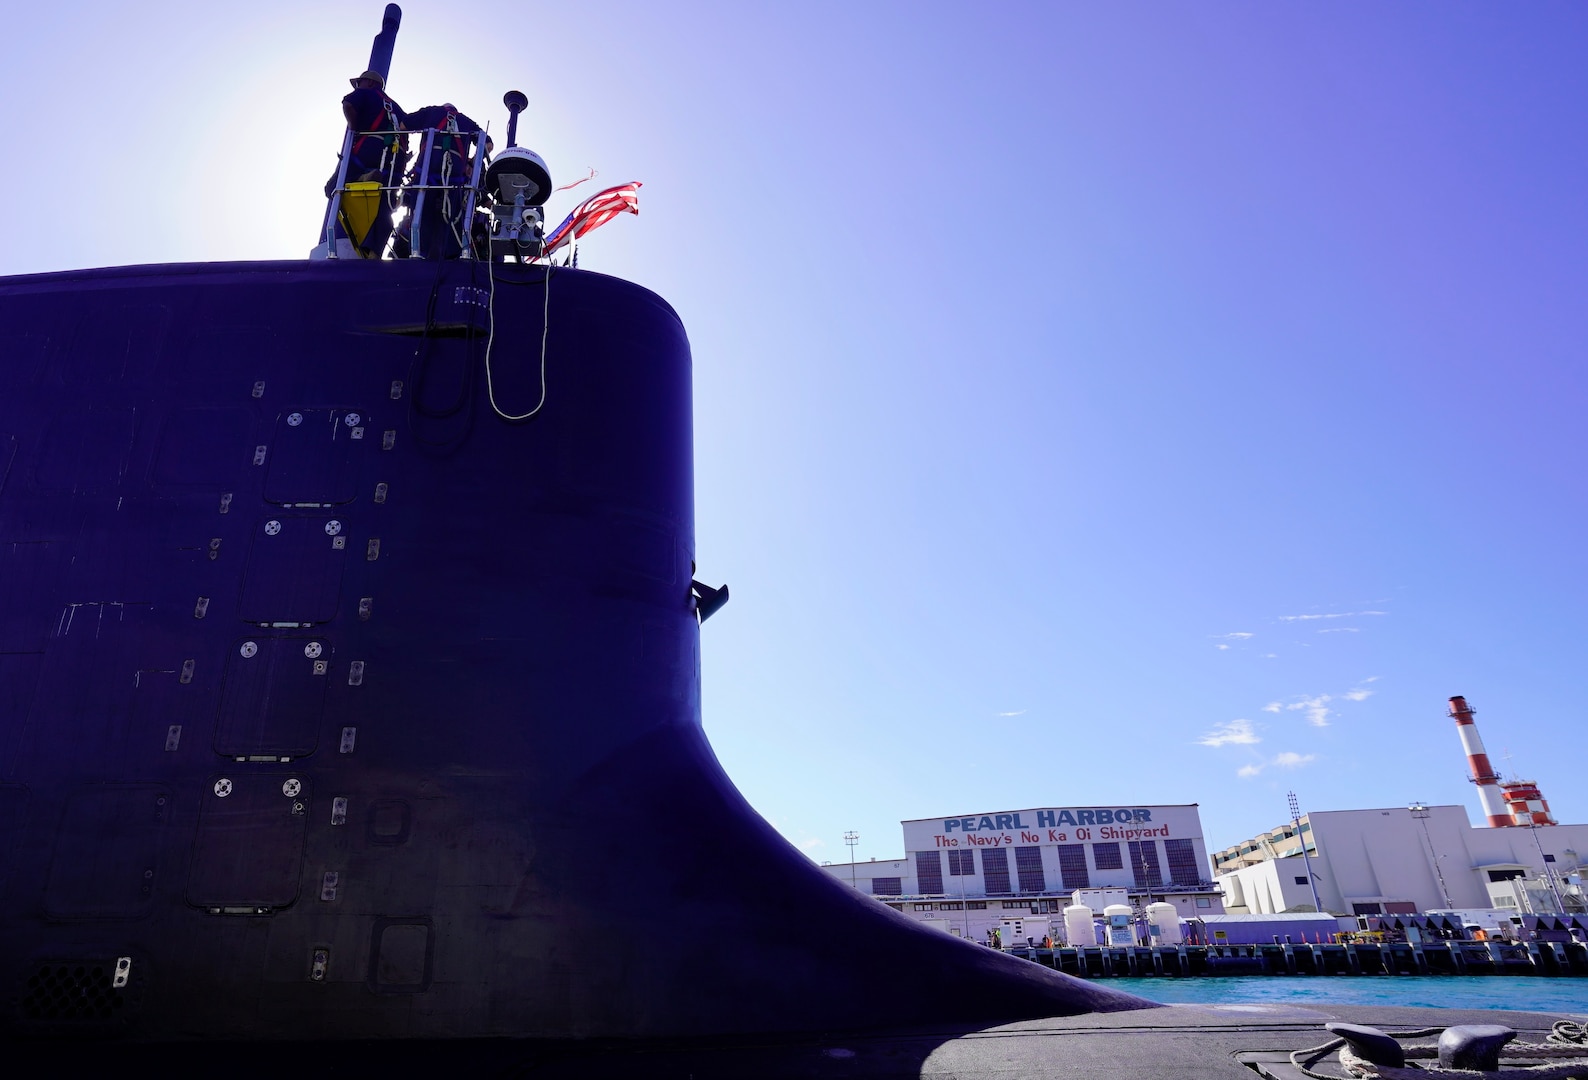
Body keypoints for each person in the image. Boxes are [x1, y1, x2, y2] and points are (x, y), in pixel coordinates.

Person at [392, 103, 491, 259]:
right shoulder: (467, 122)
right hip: (455, 176)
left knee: (421, 211)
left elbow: (403, 126)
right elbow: (488, 144)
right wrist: (471, 162)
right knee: (455, 218)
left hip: (427, 172)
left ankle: (420, 252)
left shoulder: (430, 112)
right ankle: (453, 256)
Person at [324, 70, 407, 256]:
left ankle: (362, 178)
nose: (358, 86)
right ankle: (373, 251)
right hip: (394, 160)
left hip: (369, 147)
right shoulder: (396, 107)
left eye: (360, 82)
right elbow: (405, 128)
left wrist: (354, 127)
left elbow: (348, 103)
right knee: (386, 205)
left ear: (370, 83)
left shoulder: (366, 93)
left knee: (332, 187)